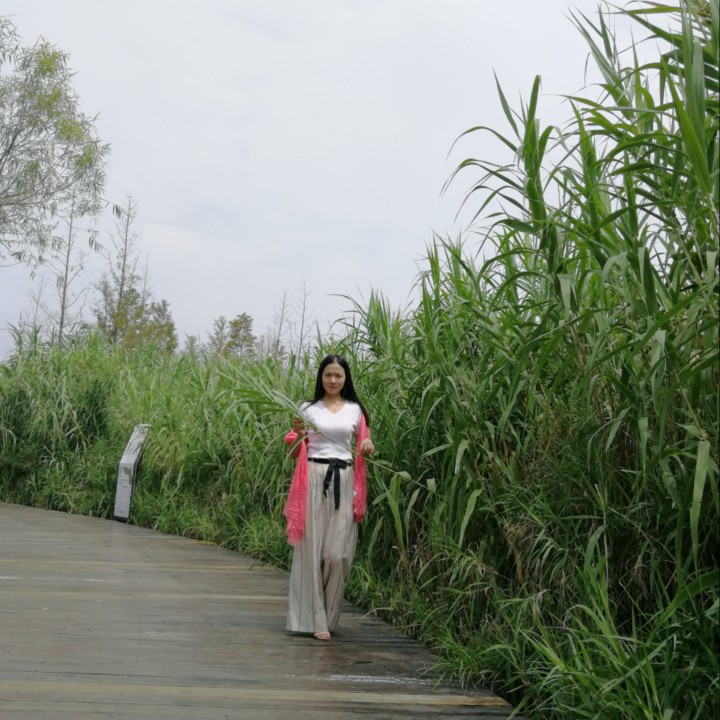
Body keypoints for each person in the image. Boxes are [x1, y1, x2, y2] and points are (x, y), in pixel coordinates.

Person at [283, 354, 374, 640]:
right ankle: (315, 620)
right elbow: (294, 451)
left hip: (344, 480)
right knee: (311, 550)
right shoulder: (307, 409)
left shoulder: (355, 410)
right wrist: (299, 434)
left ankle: (328, 615)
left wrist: (367, 444)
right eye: (328, 375)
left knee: (338, 554)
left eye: (338, 375)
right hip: (312, 477)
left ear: (346, 379)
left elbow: (364, 442)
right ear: (321, 377)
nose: (333, 380)